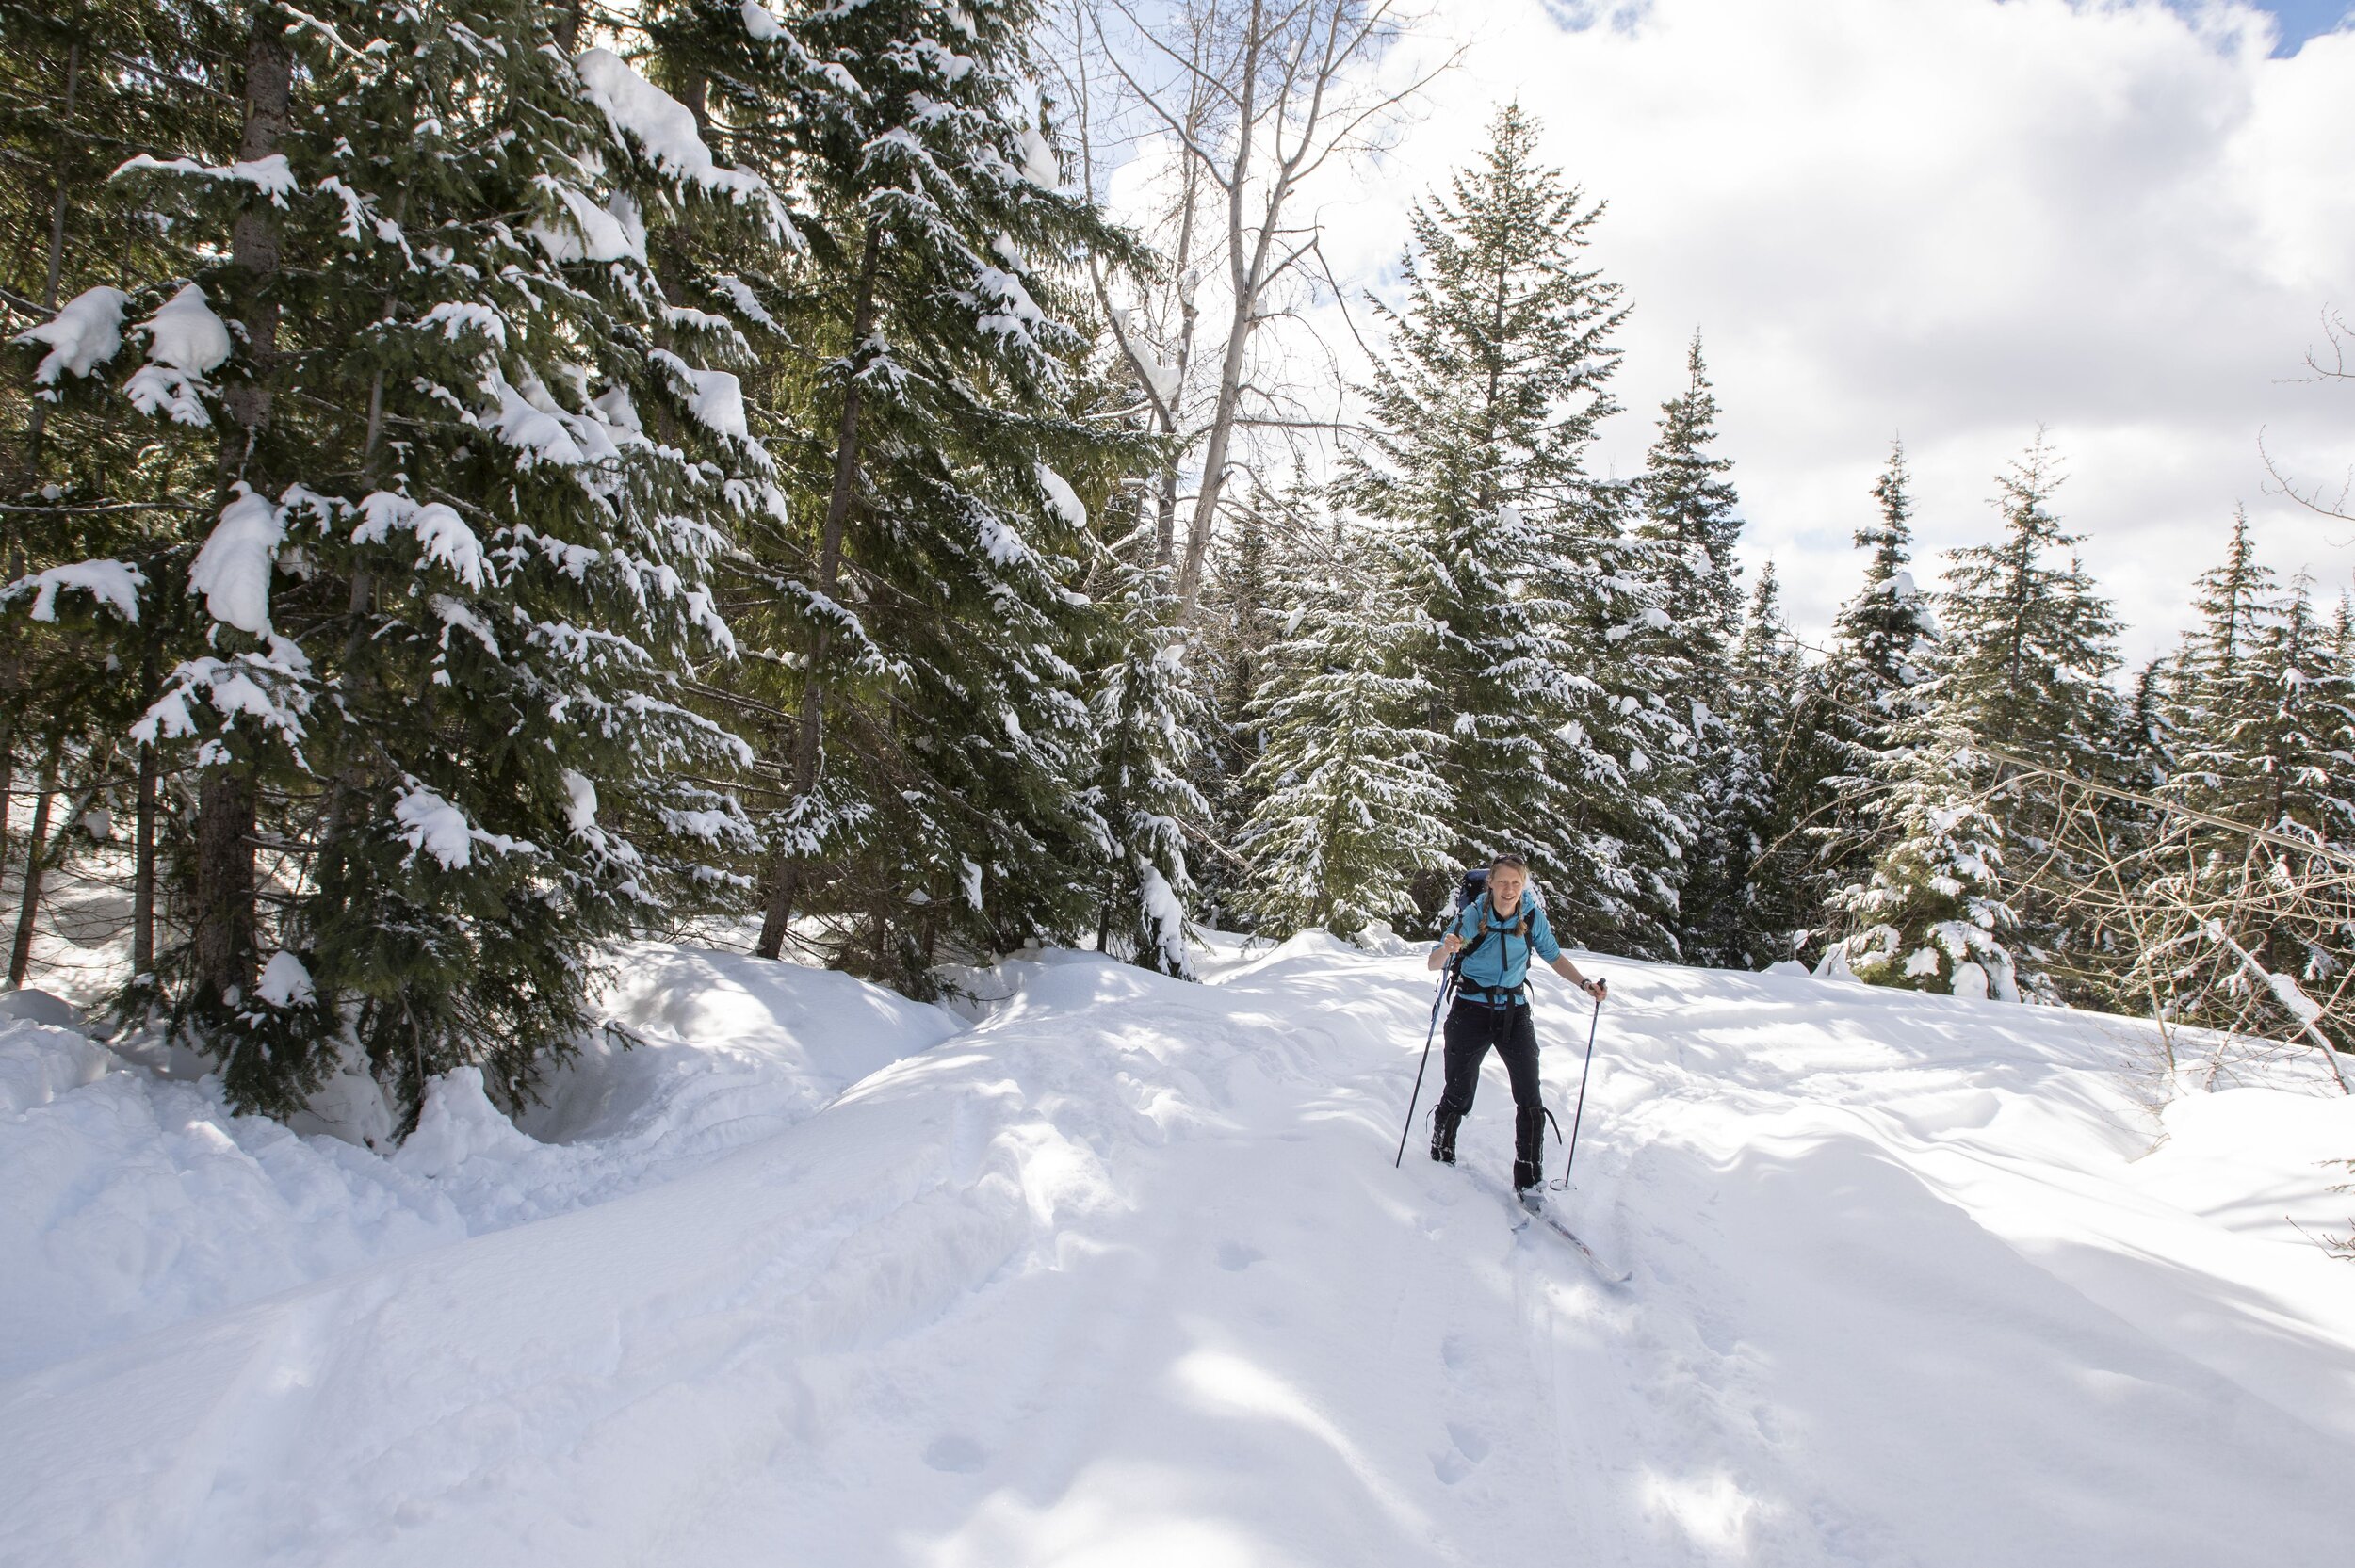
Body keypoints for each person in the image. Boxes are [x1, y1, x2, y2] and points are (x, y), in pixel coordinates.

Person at [1425, 854, 1605, 1191]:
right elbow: (1434, 964)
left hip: (1514, 1012)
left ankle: (1529, 1175)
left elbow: (1553, 956)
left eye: (1516, 883)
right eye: (1503, 882)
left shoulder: (1531, 916)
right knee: (1460, 1091)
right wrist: (1448, 949)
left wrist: (1585, 984)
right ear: (1490, 883)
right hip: (1470, 1011)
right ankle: (1441, 1149)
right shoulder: (1471, 916)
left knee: (1529, 1095)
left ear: (1524, 886)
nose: (1509, 890)